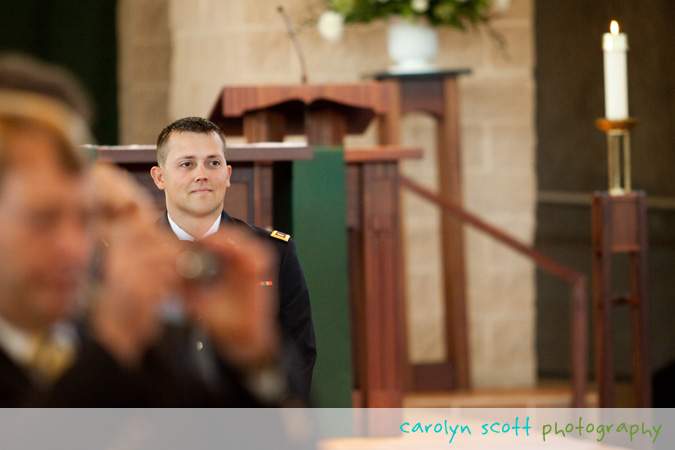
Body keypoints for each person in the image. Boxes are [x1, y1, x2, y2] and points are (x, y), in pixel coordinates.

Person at [0, 54, 287, 407]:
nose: (74, 249)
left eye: (85, 218)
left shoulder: (137, 340)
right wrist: (113, 348)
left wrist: (250, 361)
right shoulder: (117, 336)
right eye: (43, 218)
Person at [150, 117, 316, 402]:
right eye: (186, 164)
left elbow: (298, 354)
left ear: (227, 174)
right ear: (160, 177)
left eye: (213, 163)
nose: (201, 174)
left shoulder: (271, 253)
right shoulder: (138, 257)